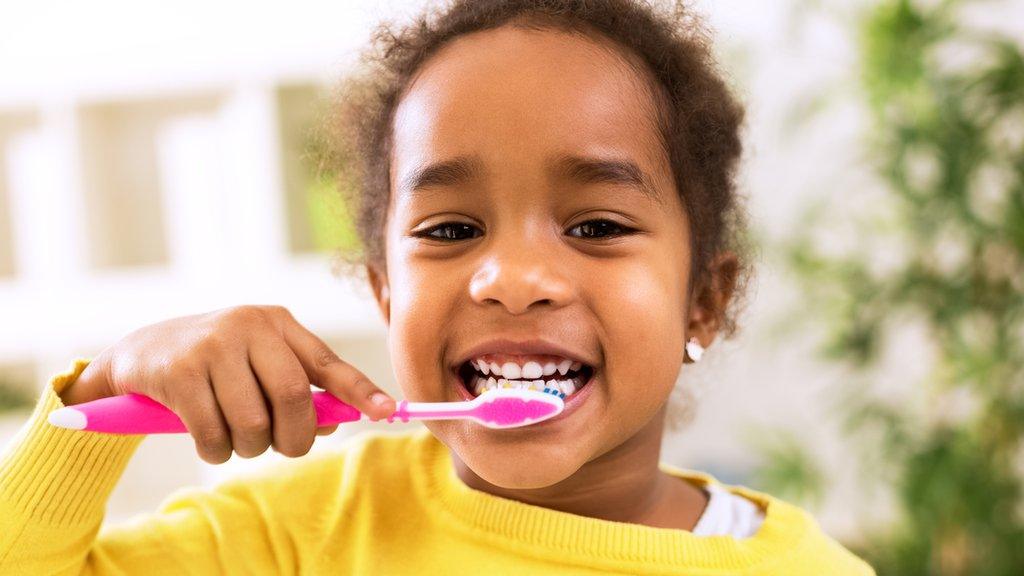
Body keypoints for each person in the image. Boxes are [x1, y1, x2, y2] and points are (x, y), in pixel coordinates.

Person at [0, 0, 875, 573]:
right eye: (451, 231)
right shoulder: (302, 536)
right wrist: (106, 387)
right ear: (384, 293)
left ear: (704, 301)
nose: (514, 279)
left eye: (596, 227)